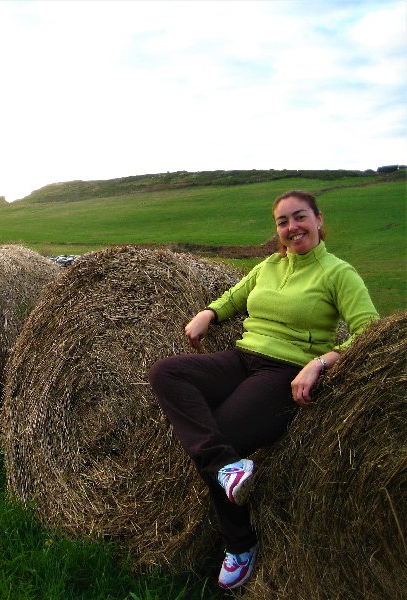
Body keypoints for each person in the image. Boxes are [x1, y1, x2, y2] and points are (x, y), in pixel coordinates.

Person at [148, 190, 379, 590]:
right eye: (283, 222)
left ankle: (240, 545)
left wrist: (319, 362)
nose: (292, 228)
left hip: (284, 371)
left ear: (319, 220)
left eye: (300, 217)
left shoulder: (339, 273)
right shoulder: (269, 265)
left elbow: (368, 333)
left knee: (224, 432)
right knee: (167, 373)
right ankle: (227, 468)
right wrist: (210, 312)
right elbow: (236, 297)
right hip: (243, 358)